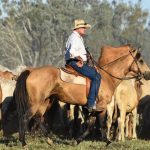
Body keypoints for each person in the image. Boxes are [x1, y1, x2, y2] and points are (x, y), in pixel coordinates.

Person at [65, 19, 101, 112]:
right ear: (78, 28)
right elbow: (71, 52)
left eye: (85, 27)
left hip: (75, 61)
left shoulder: (77, 37)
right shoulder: (75, 38)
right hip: (74, 62)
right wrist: (78, 59)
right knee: (96, 76)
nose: (85, 29)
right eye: (83, 27)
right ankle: (90, 103)